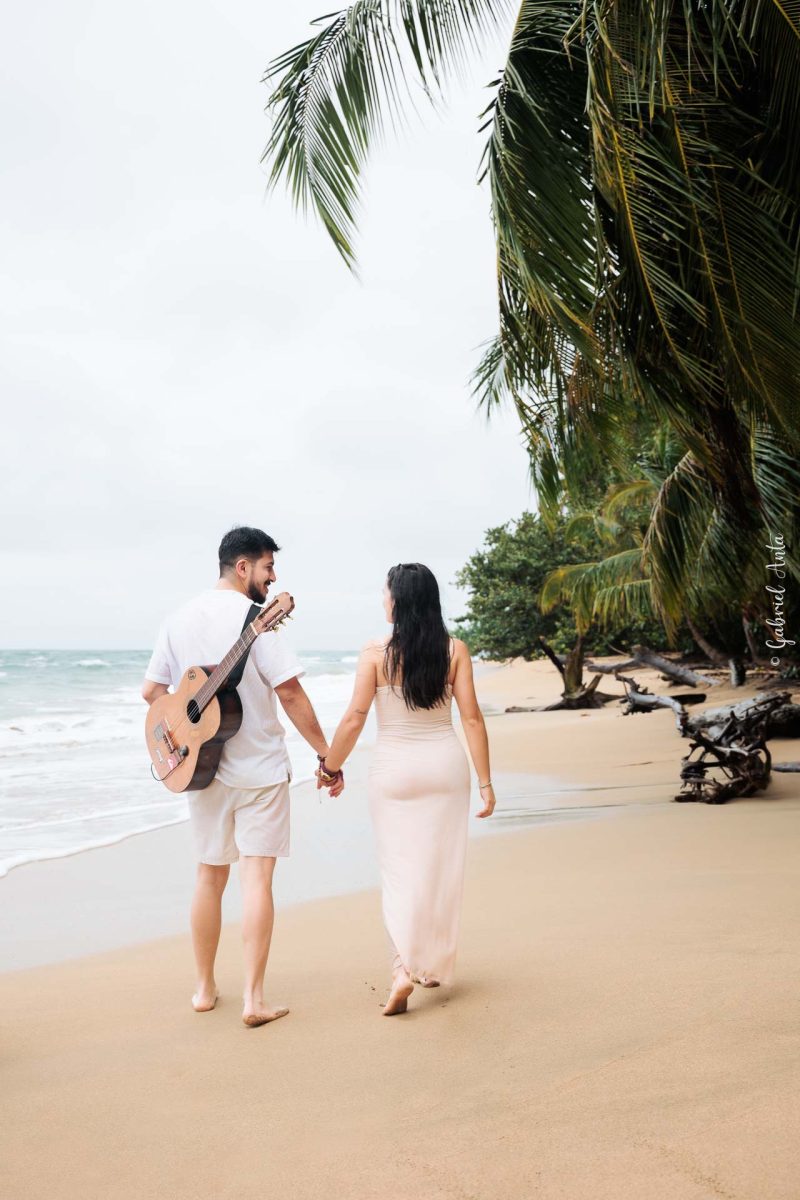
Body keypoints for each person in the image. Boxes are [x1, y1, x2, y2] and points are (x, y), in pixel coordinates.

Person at [142, 526, 343, 1027]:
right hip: (260, 769)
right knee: (256, 878)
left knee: (209, 877)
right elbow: (290, 693)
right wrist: (327, 755)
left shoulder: (178, 619)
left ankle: (204, 990)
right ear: (243, 567)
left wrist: (184, 734)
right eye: (268, 567)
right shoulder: (256, 620)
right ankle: (254, 1000)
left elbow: (151, 692)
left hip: (199, 769)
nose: (273, 578)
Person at [316, 562, 495, 1015]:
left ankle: (402, 968)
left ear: (399, 600)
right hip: (445, 769)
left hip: (394, 772)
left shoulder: (375, 652)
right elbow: (472, 719)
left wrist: (330, 766)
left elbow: (355, 718)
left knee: (399, 871)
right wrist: (486, 783)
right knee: (438, 867)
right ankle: (428, 965)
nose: (383, 599)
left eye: (386, 592)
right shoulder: (455, 650)